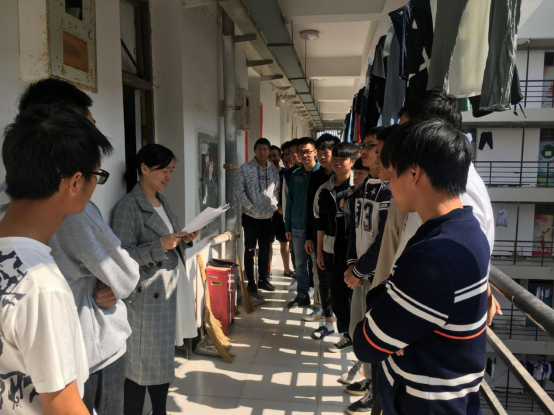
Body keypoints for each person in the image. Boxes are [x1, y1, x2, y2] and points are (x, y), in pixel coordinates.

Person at [0, 77, 140, 415]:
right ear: (76, 182)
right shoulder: (43, 286)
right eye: (97, 175)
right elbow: (64, 406)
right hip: (93, 354)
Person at [353, 119, 491, 415]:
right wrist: (394, 312)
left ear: (414, 173)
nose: (389, 184)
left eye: (392, 173)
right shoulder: (468, 231)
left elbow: (366, 343)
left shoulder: (434, 258)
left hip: (424, 403)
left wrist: (388, 308)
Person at [372, 91, 500, 333]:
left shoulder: (458, 191)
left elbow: (458, 264)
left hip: (421, 328)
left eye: (406, 130)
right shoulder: (437, 184)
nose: (398, 140)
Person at [112, 144, 199, 415]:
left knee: (161, 361)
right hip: (146, 297)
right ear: (144, 169)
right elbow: (122, 255)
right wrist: (160, 245)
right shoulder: (128, 206)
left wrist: (184, 239)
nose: (168, 176)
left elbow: (170, 240)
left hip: (170, 288)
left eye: (171, 170)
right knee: (139, 367)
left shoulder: (162, 201)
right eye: (163, 170)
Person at [341, 127, 390, 414]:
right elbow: (353, 231)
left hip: (378, 277)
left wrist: (358, 271)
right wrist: (352, 265)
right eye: (364, 145)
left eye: (370, 146)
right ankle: (370, 381)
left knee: (375, 335)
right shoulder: (363, 188)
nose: (364, 151)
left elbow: (385, 241)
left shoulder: (389, 190)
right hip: (361, 274)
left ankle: (376, 392)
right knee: (359, 329)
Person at [312, 142, 358, 341]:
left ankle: (357, 334)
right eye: (335, 159)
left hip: (354, 249)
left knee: (355, 294)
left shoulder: (359, 188)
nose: (337, 163)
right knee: (337, 292)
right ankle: (345, 334)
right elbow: (320, 224)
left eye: (343, 159)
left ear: (353, 161)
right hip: (331, 249)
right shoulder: (324, 190)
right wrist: (320, 253)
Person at [236, 138, 280, 295]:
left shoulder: (273, 169)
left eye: (265, 149)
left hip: (267, 217)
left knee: (265, 249)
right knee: (249, 248)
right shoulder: (245, 168)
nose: (262, 152)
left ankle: (263, 279)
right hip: (250, 217)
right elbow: (239, 191)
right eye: (259, 149)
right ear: (254, 150)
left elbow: (276, 190)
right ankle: (251, 282)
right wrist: (250, 207)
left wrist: (273, 206)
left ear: (268, 151)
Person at [304, 134, 340, 325]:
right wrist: (308, 236)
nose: (322, 157)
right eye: (320, 153)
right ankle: (321, 308)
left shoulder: (343, 176)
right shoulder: (316, 177)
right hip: (319, 233)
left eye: (326, 153)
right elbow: (310, 208)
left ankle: (337, 313)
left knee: (337, 278)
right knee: (320, 274)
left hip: (340, 235)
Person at [285, 137, 321, 308]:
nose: (305, 155)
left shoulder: (322, 174)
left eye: (308, 151)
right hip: (297, 226)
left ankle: (319, 301)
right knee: (300, 265)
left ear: (315, 152)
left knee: (317, 265)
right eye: (301, 152)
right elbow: (290, 201)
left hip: (316, 228)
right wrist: (288, 225)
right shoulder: (295, 175)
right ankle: (302, 295)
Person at [268, 145, 292, 278]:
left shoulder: (286, 173)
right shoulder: (264, 174)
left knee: (284, 242)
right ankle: (268, 270)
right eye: (269, 156)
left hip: (282, 213)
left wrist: (284, 208)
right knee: (268, 242)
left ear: (279, 157)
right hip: (268, 214)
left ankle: (287, 269)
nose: (272, 158)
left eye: (275, 156)